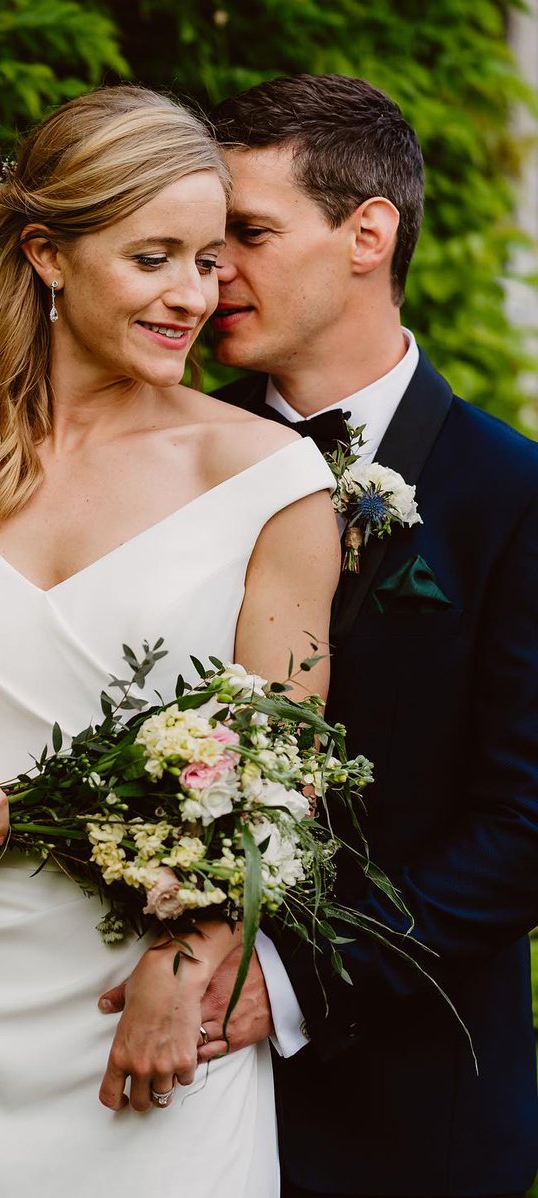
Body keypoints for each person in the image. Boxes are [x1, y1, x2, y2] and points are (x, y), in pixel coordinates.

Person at [0, 85, 338, 1197]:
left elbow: (284, 778)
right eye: (154, 256)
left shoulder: (269, 481)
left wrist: (192, 957)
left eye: (208, 261)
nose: (192, 295)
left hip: (150, 1020)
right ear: (47, 253)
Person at [95, 74, 538, 1198]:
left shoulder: (512, 496)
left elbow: (522, 828)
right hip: (137, 1090)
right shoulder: (142, 469)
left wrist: (286, 979)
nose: (211, 275)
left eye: (244, 233)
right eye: (194, 243)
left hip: (411, 1116)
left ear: (367, 234)